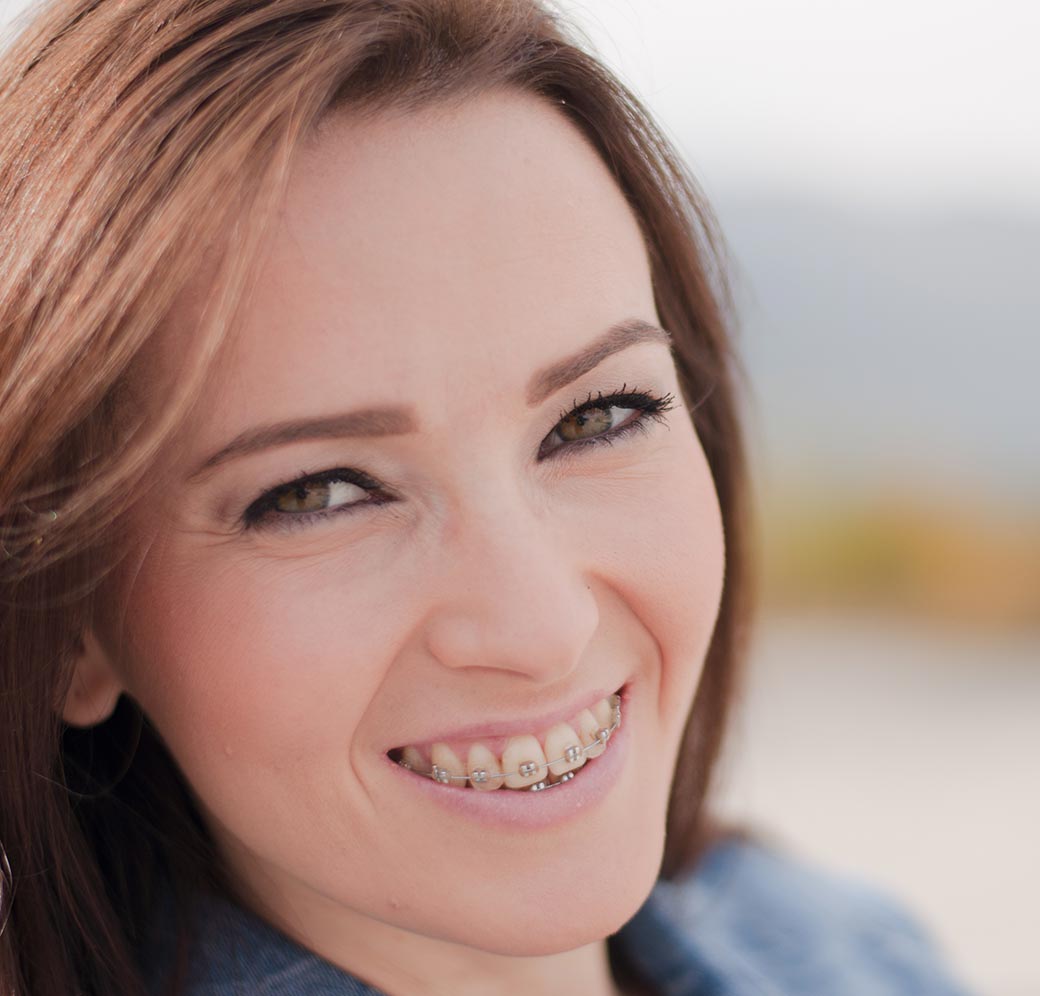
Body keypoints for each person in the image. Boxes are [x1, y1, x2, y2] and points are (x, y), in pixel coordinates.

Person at [0, 1, 974, 993]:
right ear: (72, 619)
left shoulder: (849, 956)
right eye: (322, 491)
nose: (541, 626)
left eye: (596, 419)